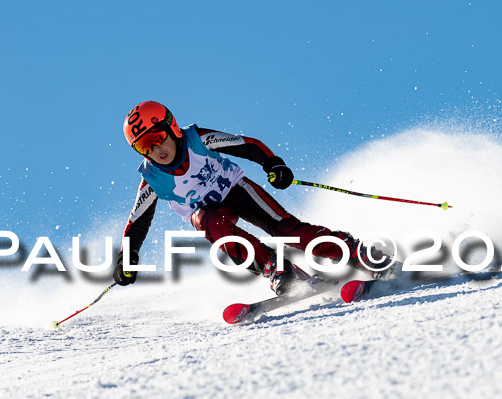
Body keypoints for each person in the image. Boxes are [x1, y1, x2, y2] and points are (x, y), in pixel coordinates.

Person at [113, 100, 388, 295]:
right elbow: (136, 224)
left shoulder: (198, 139)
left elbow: (247, 145)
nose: (156, 148)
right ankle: (276, 267)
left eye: (158, 136)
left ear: (171, 127)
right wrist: (127, 258)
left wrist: (273, 165)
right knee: (210, 225)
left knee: (287, 230)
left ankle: (353, 252)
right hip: (209, 214)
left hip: (236, 191)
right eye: (144, 145)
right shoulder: (152, 180)